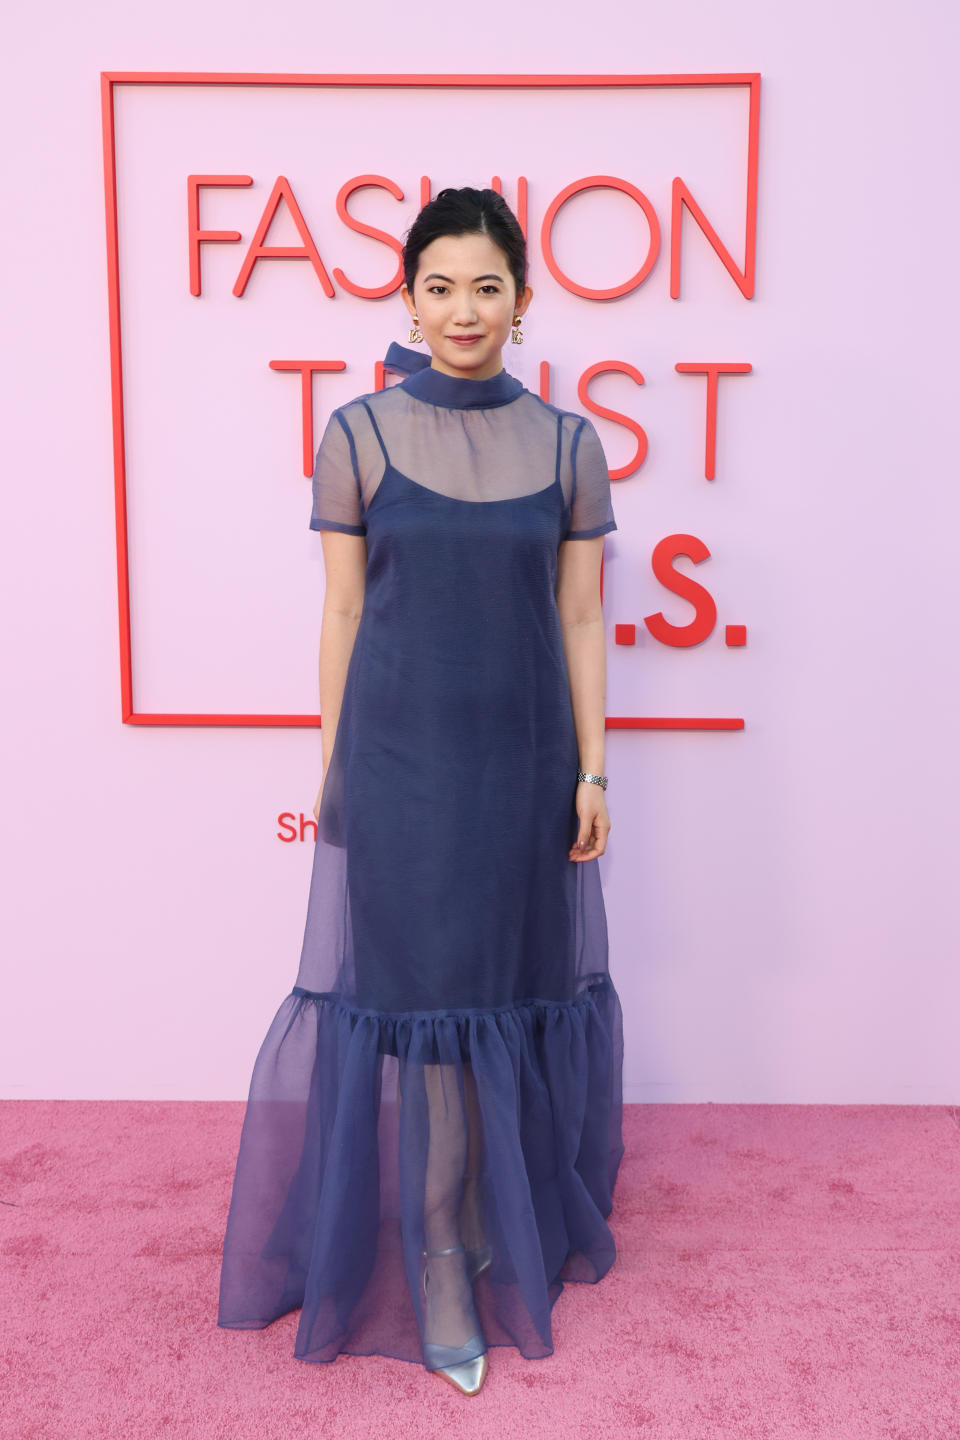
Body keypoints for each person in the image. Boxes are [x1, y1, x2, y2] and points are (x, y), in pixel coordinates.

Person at [217, 186, 625, 1397]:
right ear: (408, 297)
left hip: (525, 768)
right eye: (439, 286)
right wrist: (339, 766)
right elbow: (342, 612)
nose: (463, 309)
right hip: (400, 770)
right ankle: (442, 1263)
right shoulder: (359, 432)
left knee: (504, 993)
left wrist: (593, 767)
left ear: (523, 300)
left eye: (486, 286)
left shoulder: (567, 443)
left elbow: (583, 617)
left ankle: (497, 1224)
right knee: (430, 1022)